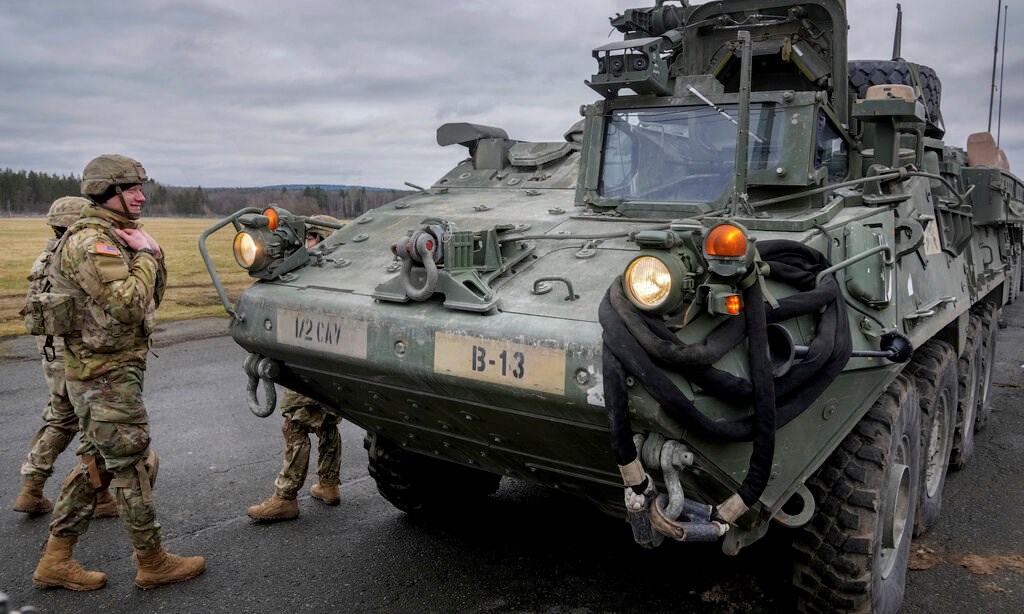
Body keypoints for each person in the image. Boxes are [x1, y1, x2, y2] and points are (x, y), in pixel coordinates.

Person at [31, 154, 204, 591]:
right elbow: (128, 305)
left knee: (98, 464)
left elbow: (150, 299)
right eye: (132, 189)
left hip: (108, 371)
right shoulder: (93, 241)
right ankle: (153, 561)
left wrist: (151, 254)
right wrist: (146, 255)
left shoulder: (114, 234)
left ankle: (56, 559)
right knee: (134, 464)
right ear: (107, 192)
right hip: (103, 376)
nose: (141, 196)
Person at [13, 197, 117, 520]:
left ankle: (32, 486)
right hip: (72, 352)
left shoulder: (44, 258)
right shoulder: (75, 259)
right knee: (89, 424)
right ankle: (98, 496)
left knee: (61, 418)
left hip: (49, 351)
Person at [247, 214, 344, 522]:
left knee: (295, 423)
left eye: (312, 238)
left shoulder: (315, 272)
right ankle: (328, 484)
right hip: (334, 364)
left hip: (310, 363)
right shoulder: (340, 272)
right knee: (327, 423)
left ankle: (285, 497)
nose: (305, 244)